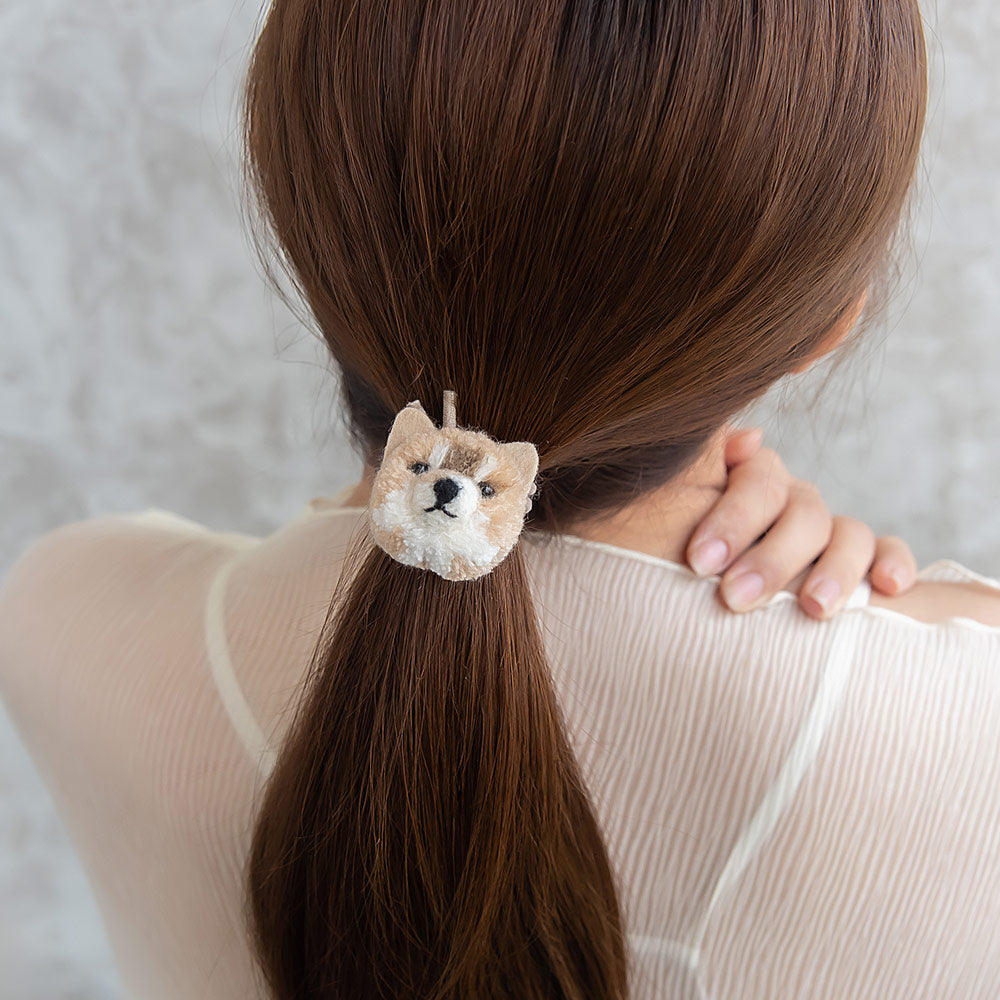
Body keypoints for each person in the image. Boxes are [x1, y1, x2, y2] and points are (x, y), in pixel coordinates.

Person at [2, 1, 1000, 999]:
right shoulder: (968, 716)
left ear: (309, 228)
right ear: (828, 324)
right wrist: (889, 615)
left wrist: (418, 505)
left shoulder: (63, 618)